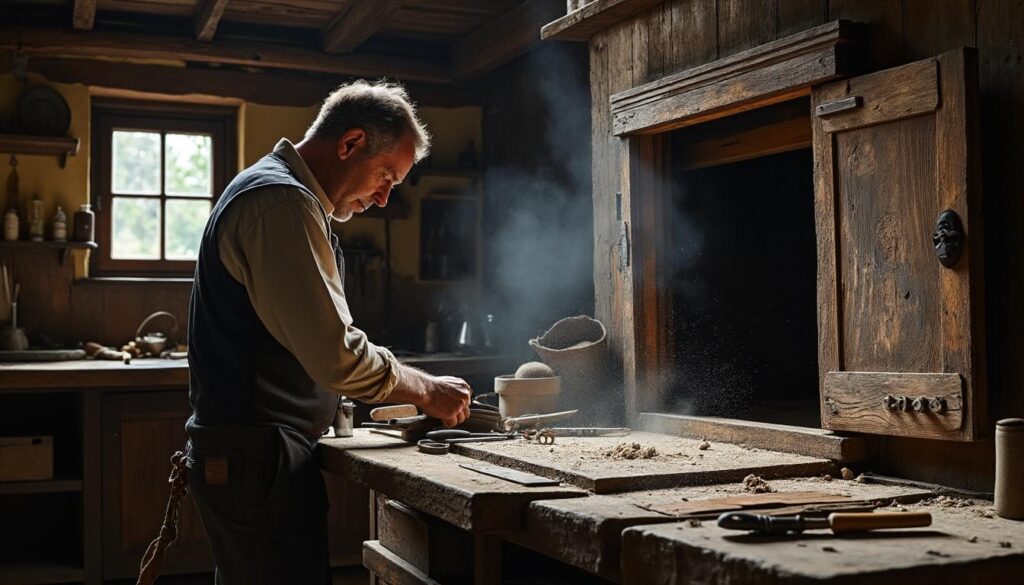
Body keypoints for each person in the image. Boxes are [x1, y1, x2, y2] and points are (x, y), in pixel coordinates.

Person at [186, 79, 472, 585]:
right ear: (350, 143)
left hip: (262, 455)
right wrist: (426, 389)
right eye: (386, 175)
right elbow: (338, 357)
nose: (384, 198)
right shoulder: (279, 203)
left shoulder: (286, 198)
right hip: (257, 458)